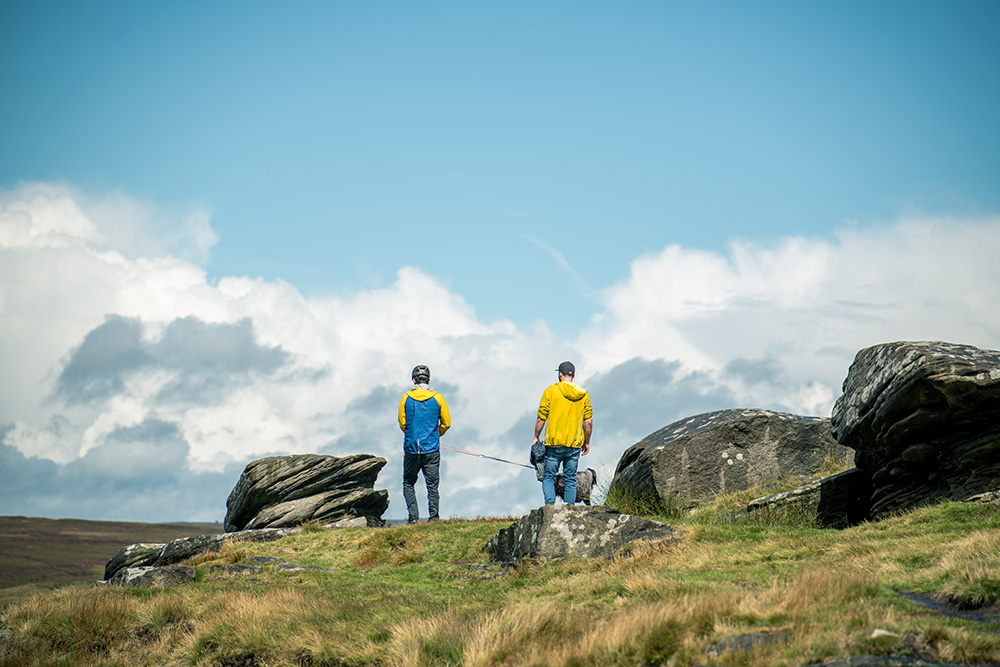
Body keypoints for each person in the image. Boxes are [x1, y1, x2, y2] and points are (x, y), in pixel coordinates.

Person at [533, 361, 593, 505]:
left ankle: (550, 508)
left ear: (560, 374)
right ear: (573, 375)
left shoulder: (551, 391)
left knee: (548, 476)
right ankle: (569, 512)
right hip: (574, 444)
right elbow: (588, 422)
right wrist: (587, 442)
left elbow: (541, 417)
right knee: (570, 479)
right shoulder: (583, 394)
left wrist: (536, 436)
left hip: (554, 443)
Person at [398, 364, 451, 524]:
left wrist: (413, 434)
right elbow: (446, 423)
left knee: (408, 483)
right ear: (429, 379)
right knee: (432, 485)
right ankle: (434, 518)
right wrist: (436, 434)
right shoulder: (438, 398)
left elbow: (402, 423)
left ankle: (413, 518)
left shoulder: (406, 398)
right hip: (432, 449)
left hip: (412, 448)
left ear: (413, 380)